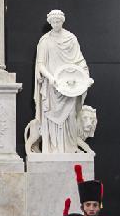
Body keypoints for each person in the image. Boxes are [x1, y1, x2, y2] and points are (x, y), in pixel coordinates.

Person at [32, 10, 91, 154]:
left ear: (62, 21)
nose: (55, 24)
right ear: (50, 23)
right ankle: (52, 149)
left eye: (58, 21)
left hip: (69, 87)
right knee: (51, 117)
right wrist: (51, 78)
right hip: (52, 86)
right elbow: (41, 64)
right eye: (53, 22)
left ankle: (69, 149)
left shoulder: (71, 39)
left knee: (70, 117)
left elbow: (80, 61)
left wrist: (86, 76)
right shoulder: (45, 41)